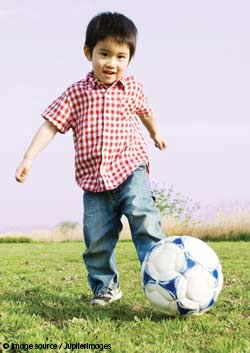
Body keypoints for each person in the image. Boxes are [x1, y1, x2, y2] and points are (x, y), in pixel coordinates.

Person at [15, 12, 167, 305]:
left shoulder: (132, 87)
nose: (112, 63)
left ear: (129, 59)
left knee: (143, 216)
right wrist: (28, 157)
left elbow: (145, 111)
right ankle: (105, 288)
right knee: (96, 238)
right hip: (93, 180)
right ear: (88, 53)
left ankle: (162, 275)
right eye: (104, 54)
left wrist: (155, 133)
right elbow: (50, 125)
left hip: (129, 166)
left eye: (121, 56)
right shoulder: (76, 93)